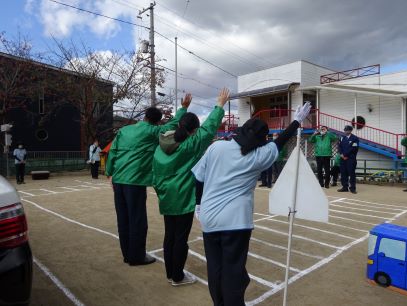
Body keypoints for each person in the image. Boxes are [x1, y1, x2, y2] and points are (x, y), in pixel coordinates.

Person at [192, 102, 312, 306]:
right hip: (236, 221)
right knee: (233, 270)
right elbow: (280, 142)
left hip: (209, 218)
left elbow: (199, 178)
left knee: (215, 267)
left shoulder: (217, 147)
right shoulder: (258, 156)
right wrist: (296, 121)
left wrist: (198, 205)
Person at [153, 88, 230, 286]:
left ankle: (170, 272)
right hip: (183, 196)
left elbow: (172, 125)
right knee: (180, 238)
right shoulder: (189, 146)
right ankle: (177, 276)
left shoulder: (162, 140)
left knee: (169, 235)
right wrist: (220, 105)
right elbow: (208, 129)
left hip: (165, 195)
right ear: (193, 130)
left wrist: (182, 109)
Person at [105, 95, 191, 266]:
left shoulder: (123, 130)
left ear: (144, 116)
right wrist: (183, 107)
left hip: (118, 180)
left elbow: (113, 151)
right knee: (137, 219)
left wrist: (109, 173)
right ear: (157, 122)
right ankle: (136, 257)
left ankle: (127, 254)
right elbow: (173, 125)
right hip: (135, 181)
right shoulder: (152, 131)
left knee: (123, 219)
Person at [338, 125, 359, 194]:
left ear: (350, 131)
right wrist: (341, 154)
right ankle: (345, 187)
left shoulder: (355, 138)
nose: (346, 131)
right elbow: (339, 147)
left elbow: (354, 148)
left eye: (347, 130)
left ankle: (352, 188)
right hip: (342, 159)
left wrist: (346, 155)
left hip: (351, 158)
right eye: (345, 130)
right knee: (343, 173)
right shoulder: (342, 138)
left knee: (351, 173)